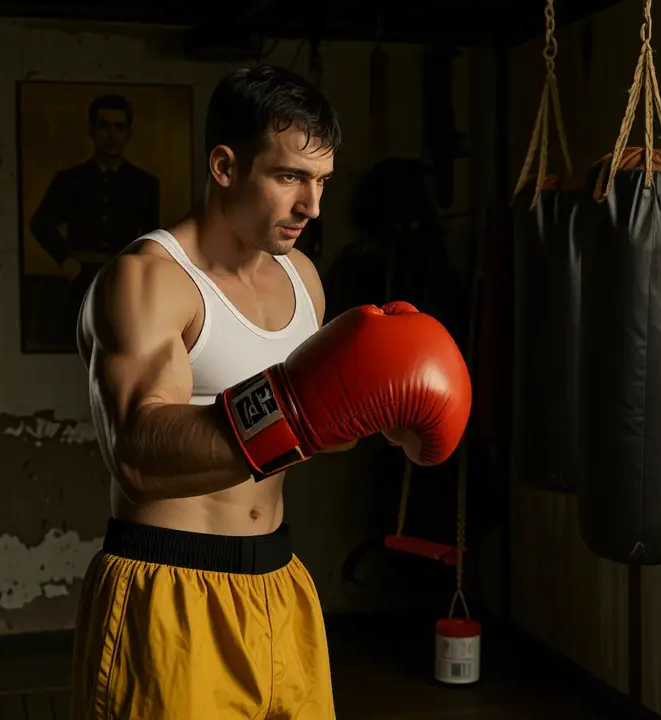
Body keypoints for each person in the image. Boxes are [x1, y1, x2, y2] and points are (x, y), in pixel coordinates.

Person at [70, 65, 472, 719]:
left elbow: (311, 436)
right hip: (172, 589)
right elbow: (136, 454)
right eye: (289, 177)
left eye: (322, 181)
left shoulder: (302, 278)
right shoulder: (148, 280)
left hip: (279, 582)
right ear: (225, 166)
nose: (312, 206)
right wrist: (298, 409)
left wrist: (373, 414)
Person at [29, 94, 161, 332]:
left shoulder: (144, 184)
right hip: (82, 282)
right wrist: (65, 259)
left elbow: (151, 235)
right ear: (91, 131)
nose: (111, 135)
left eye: (119, 127)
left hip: (126, 284)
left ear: (128, 134)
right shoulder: (69, 180)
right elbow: (40, 223)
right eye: (104, 126)